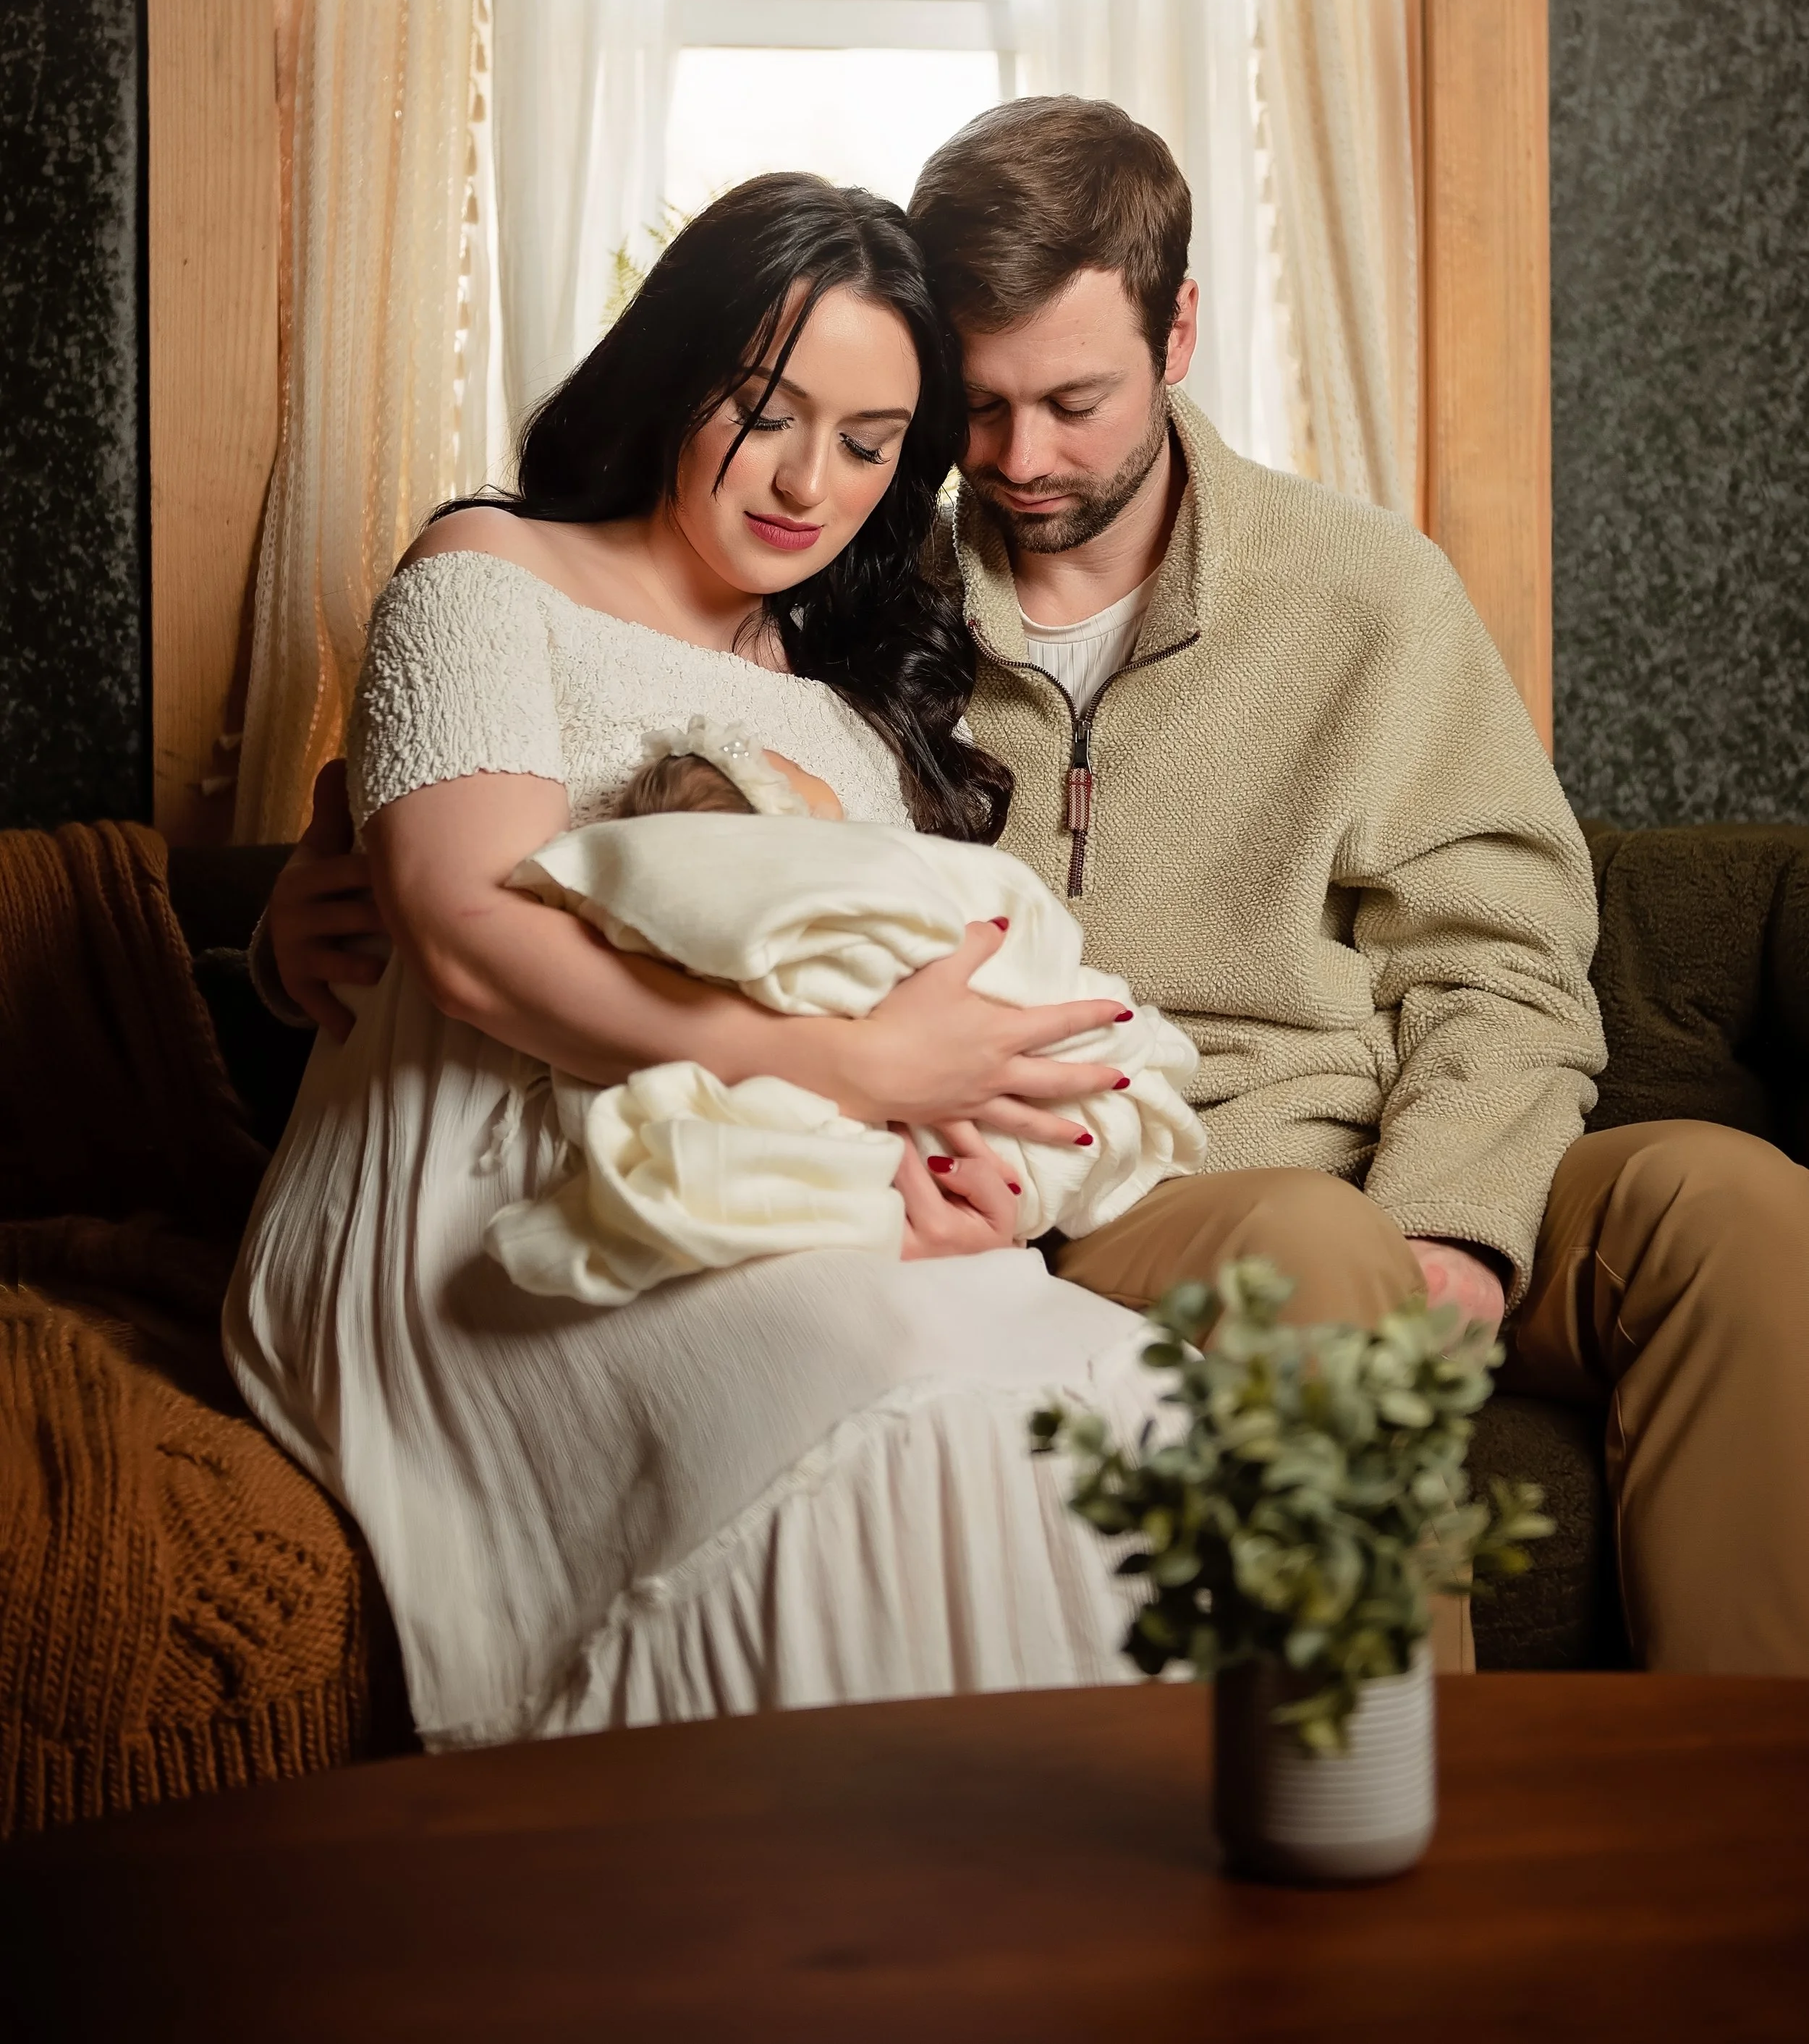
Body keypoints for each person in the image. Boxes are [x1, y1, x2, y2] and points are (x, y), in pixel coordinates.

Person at [268, 99, 1809, 1676]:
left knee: (1731, 1203)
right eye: (976, 412)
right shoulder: (866, 602)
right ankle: (1385, 1829)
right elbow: (613, 794)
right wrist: (327, 886)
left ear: (1178, 330)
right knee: (1314, 1250)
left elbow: (1501, 956)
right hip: (1133, 1172)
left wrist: (1461, 1229)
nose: (1018, 460)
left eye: (1072, 401)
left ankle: (1743, 1816)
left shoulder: (1365, 594)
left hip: (1386, 1151)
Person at [226, 175, 1173, 1753]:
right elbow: (465, 941)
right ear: (674, 374)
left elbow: (905, 985)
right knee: (882, 1394)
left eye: (870, 444)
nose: (811, 480)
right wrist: (860, 1073)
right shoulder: (487, 576)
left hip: (775, 1181)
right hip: (489, 1185)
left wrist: (961, 1168)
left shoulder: (850, 706)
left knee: (1129, 1399)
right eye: (765, 410)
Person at [480, 711, 1208, 1307]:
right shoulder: (810, 864)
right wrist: (868, 1059)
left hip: (982, 1163)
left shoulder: (888, 655)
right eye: (783, 771)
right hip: (910, 1176)